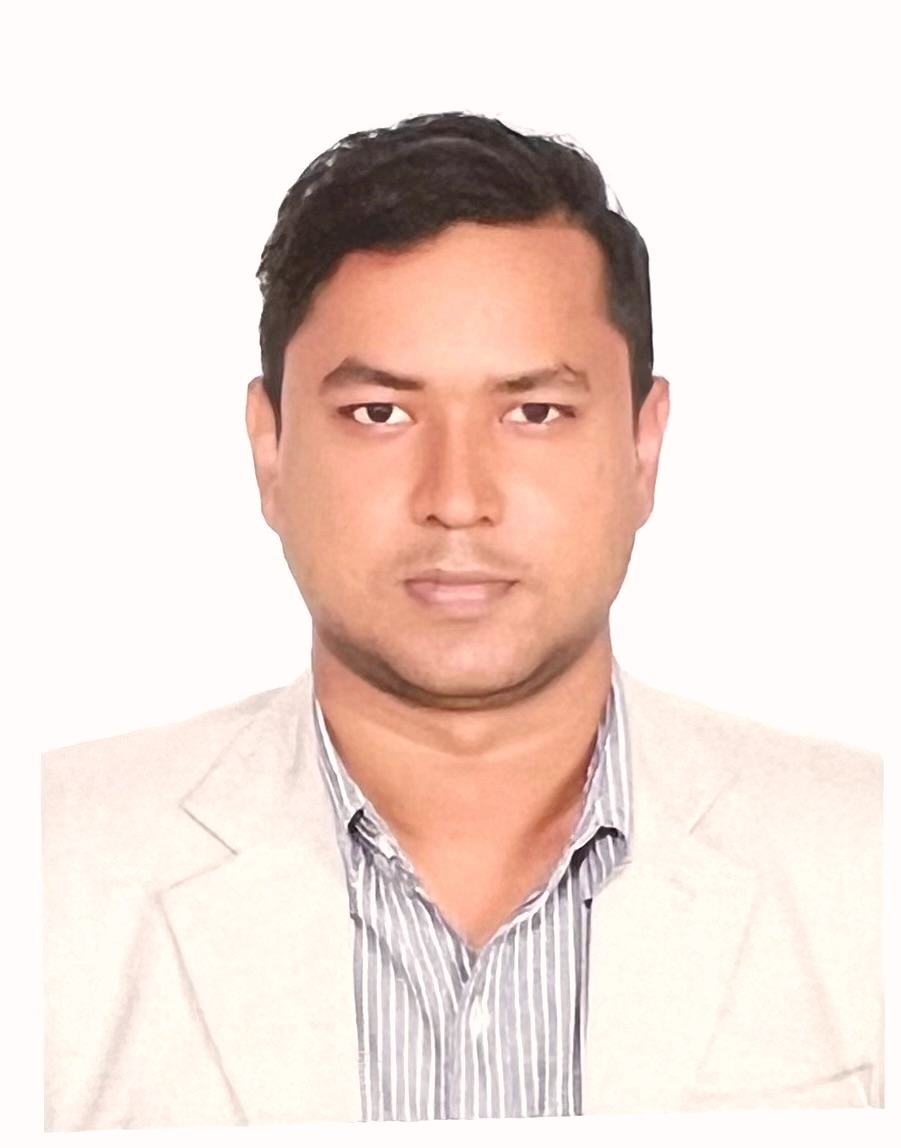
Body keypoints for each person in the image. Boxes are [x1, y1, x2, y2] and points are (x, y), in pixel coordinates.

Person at [42, 111, 882, 1130]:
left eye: (533, 413)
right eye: (380, 414)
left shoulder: (864, 861)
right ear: (270, 450)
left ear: (641, 448)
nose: (455, 498)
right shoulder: (47, 871)